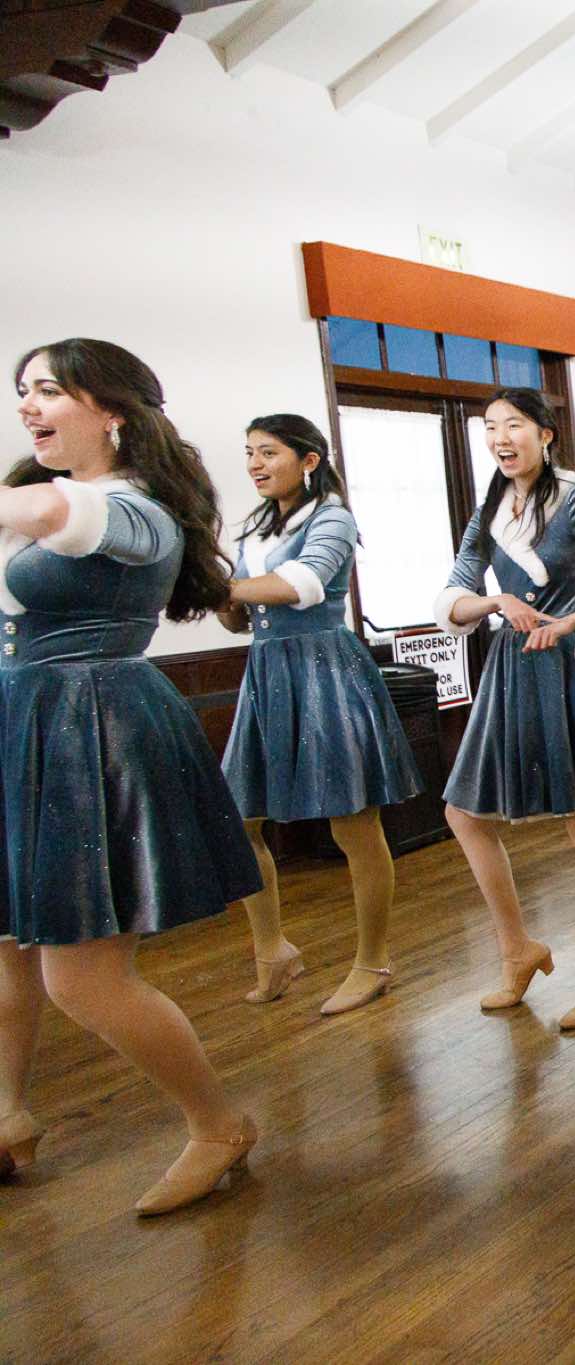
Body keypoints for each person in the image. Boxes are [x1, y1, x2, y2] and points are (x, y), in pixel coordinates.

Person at [0, 338, 265, 1212]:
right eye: (23, 391)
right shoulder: (49, 494)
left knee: (81, 975)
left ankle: (217, 1124)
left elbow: (60, 515)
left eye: (48, 390)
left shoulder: (139, 508)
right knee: (9, 945)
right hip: (29, 725)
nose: (28, 406)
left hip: (94, 730)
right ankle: (7, 1113)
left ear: (111, 410)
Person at [434, 387, 575, 1030]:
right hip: (510, 667)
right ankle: (517, 950)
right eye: (490, 427)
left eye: (514, 425)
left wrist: (573, 619)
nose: (500, 438)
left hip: (570, 666)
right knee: (463, 813)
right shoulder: (490, 508)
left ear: (546, 435)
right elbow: (453, 596)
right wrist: (497, 602)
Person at [217, 414, 424, 1014]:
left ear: (308, 460)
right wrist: (220, 595)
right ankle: (272, 950)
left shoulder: (333, 517)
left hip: (326, 672)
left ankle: (373, 961)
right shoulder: (255, 529)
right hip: (266, 672)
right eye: (249, 452)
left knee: (353, 824)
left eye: (268, 452)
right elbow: (238, 615)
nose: (255, 464)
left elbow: (301, 585)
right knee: (241, 819)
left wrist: (220, 588)